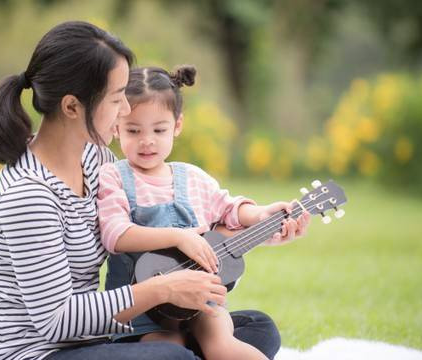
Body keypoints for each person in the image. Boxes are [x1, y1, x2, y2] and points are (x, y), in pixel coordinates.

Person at [0, 20, 302, 360]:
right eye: (117, 99)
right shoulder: (27, 195)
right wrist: (160, 289)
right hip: (38, 353)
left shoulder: (95, 158)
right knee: (171, 357)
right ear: (72, 107)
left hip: (96, 339)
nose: (127, 110)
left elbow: (174, 225)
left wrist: (260, 225)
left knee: (256, 328)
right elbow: (57, 321)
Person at [97, 65, 310, 360]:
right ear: (117, 127)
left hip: (201, 299)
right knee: (169, 352)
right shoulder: (114, 176)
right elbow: (114, 234)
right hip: (144, 312)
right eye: (134, 130)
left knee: (225, 341)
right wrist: (178, 236)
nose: (147, 140)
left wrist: (261, 214)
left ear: (178, 126)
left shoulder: (192, 178)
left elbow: (230, 209)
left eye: (159, 130)